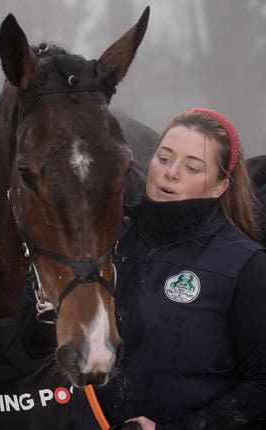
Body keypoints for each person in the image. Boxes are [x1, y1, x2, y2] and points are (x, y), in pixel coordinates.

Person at [73, 108, 266, 429]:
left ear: (219, 186)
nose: (171, 173)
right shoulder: (104, 243)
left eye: (192, 167)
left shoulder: (246, 265)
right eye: (164, 158)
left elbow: (261, 385)